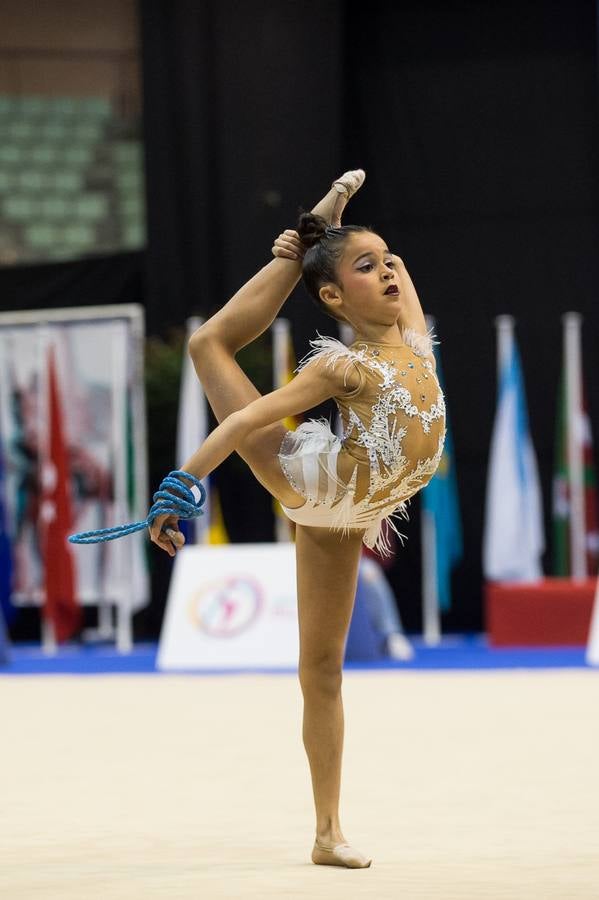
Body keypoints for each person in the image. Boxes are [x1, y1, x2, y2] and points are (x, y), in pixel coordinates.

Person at [149, 170, 446, 869]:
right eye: (368, 268)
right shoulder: (343, 367)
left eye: (387, 262)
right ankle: (329, 827)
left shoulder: (411, 334)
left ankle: (324, 836)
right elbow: (245, 421)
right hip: (312, 488)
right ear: (335, 299)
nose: (389, 272)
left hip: (350, 515)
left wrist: (324, 231)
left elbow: (390, 266)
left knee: (322, 671)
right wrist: (179, 486)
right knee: (207, 346)